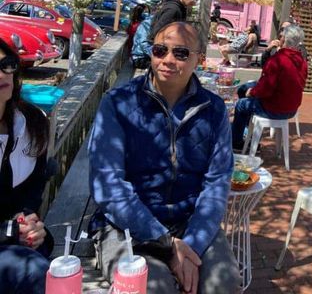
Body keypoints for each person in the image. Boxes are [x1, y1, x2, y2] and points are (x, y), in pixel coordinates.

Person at [88, 22, 240, 294]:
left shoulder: (214, 110)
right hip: (128, 224)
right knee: (151, 286)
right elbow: (108, 184)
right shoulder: (118, 103)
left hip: (188, 221)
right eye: (160, 50)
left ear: (199, 59)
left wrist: (191, 246)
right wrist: (166, 243)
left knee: (223, 283)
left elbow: (217, 183)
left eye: (180, 53)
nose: (168, 59)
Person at [0, 38, 53, 294]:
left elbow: (31, 194)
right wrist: (10, 231)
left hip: (16, 245)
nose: (2, 74)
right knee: (33, 270)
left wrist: (31, 225)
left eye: (6, 64)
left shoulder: (31, 124)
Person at [231, 25, 307, 151]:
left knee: (241, 104)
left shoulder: (278, 59)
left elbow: (266, 89)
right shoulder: (302, 61)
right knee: (243, 89)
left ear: (284, 39)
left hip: (274, 107)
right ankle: (247, 132)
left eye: (281, 36)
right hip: (291, 108)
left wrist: (252, 93)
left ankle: (237, 142)